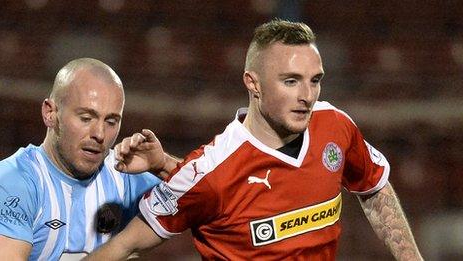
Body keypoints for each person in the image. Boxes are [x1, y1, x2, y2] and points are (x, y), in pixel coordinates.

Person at [86, 19, 423, 260]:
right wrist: (163, 166)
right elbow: (123, 246)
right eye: (291, 81)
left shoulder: (335, 126)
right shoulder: (210, 171)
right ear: (253, 83)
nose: (307, 95)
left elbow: (374, 187)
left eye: (315, 80)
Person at [0, 58, 162, 260]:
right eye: (86, 118)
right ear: (50, 113)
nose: (100, 134)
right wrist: (123, 246)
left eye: (111, 121)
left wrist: (163, 165)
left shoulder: (123, 175)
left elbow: (204, 186)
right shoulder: (12, 182)